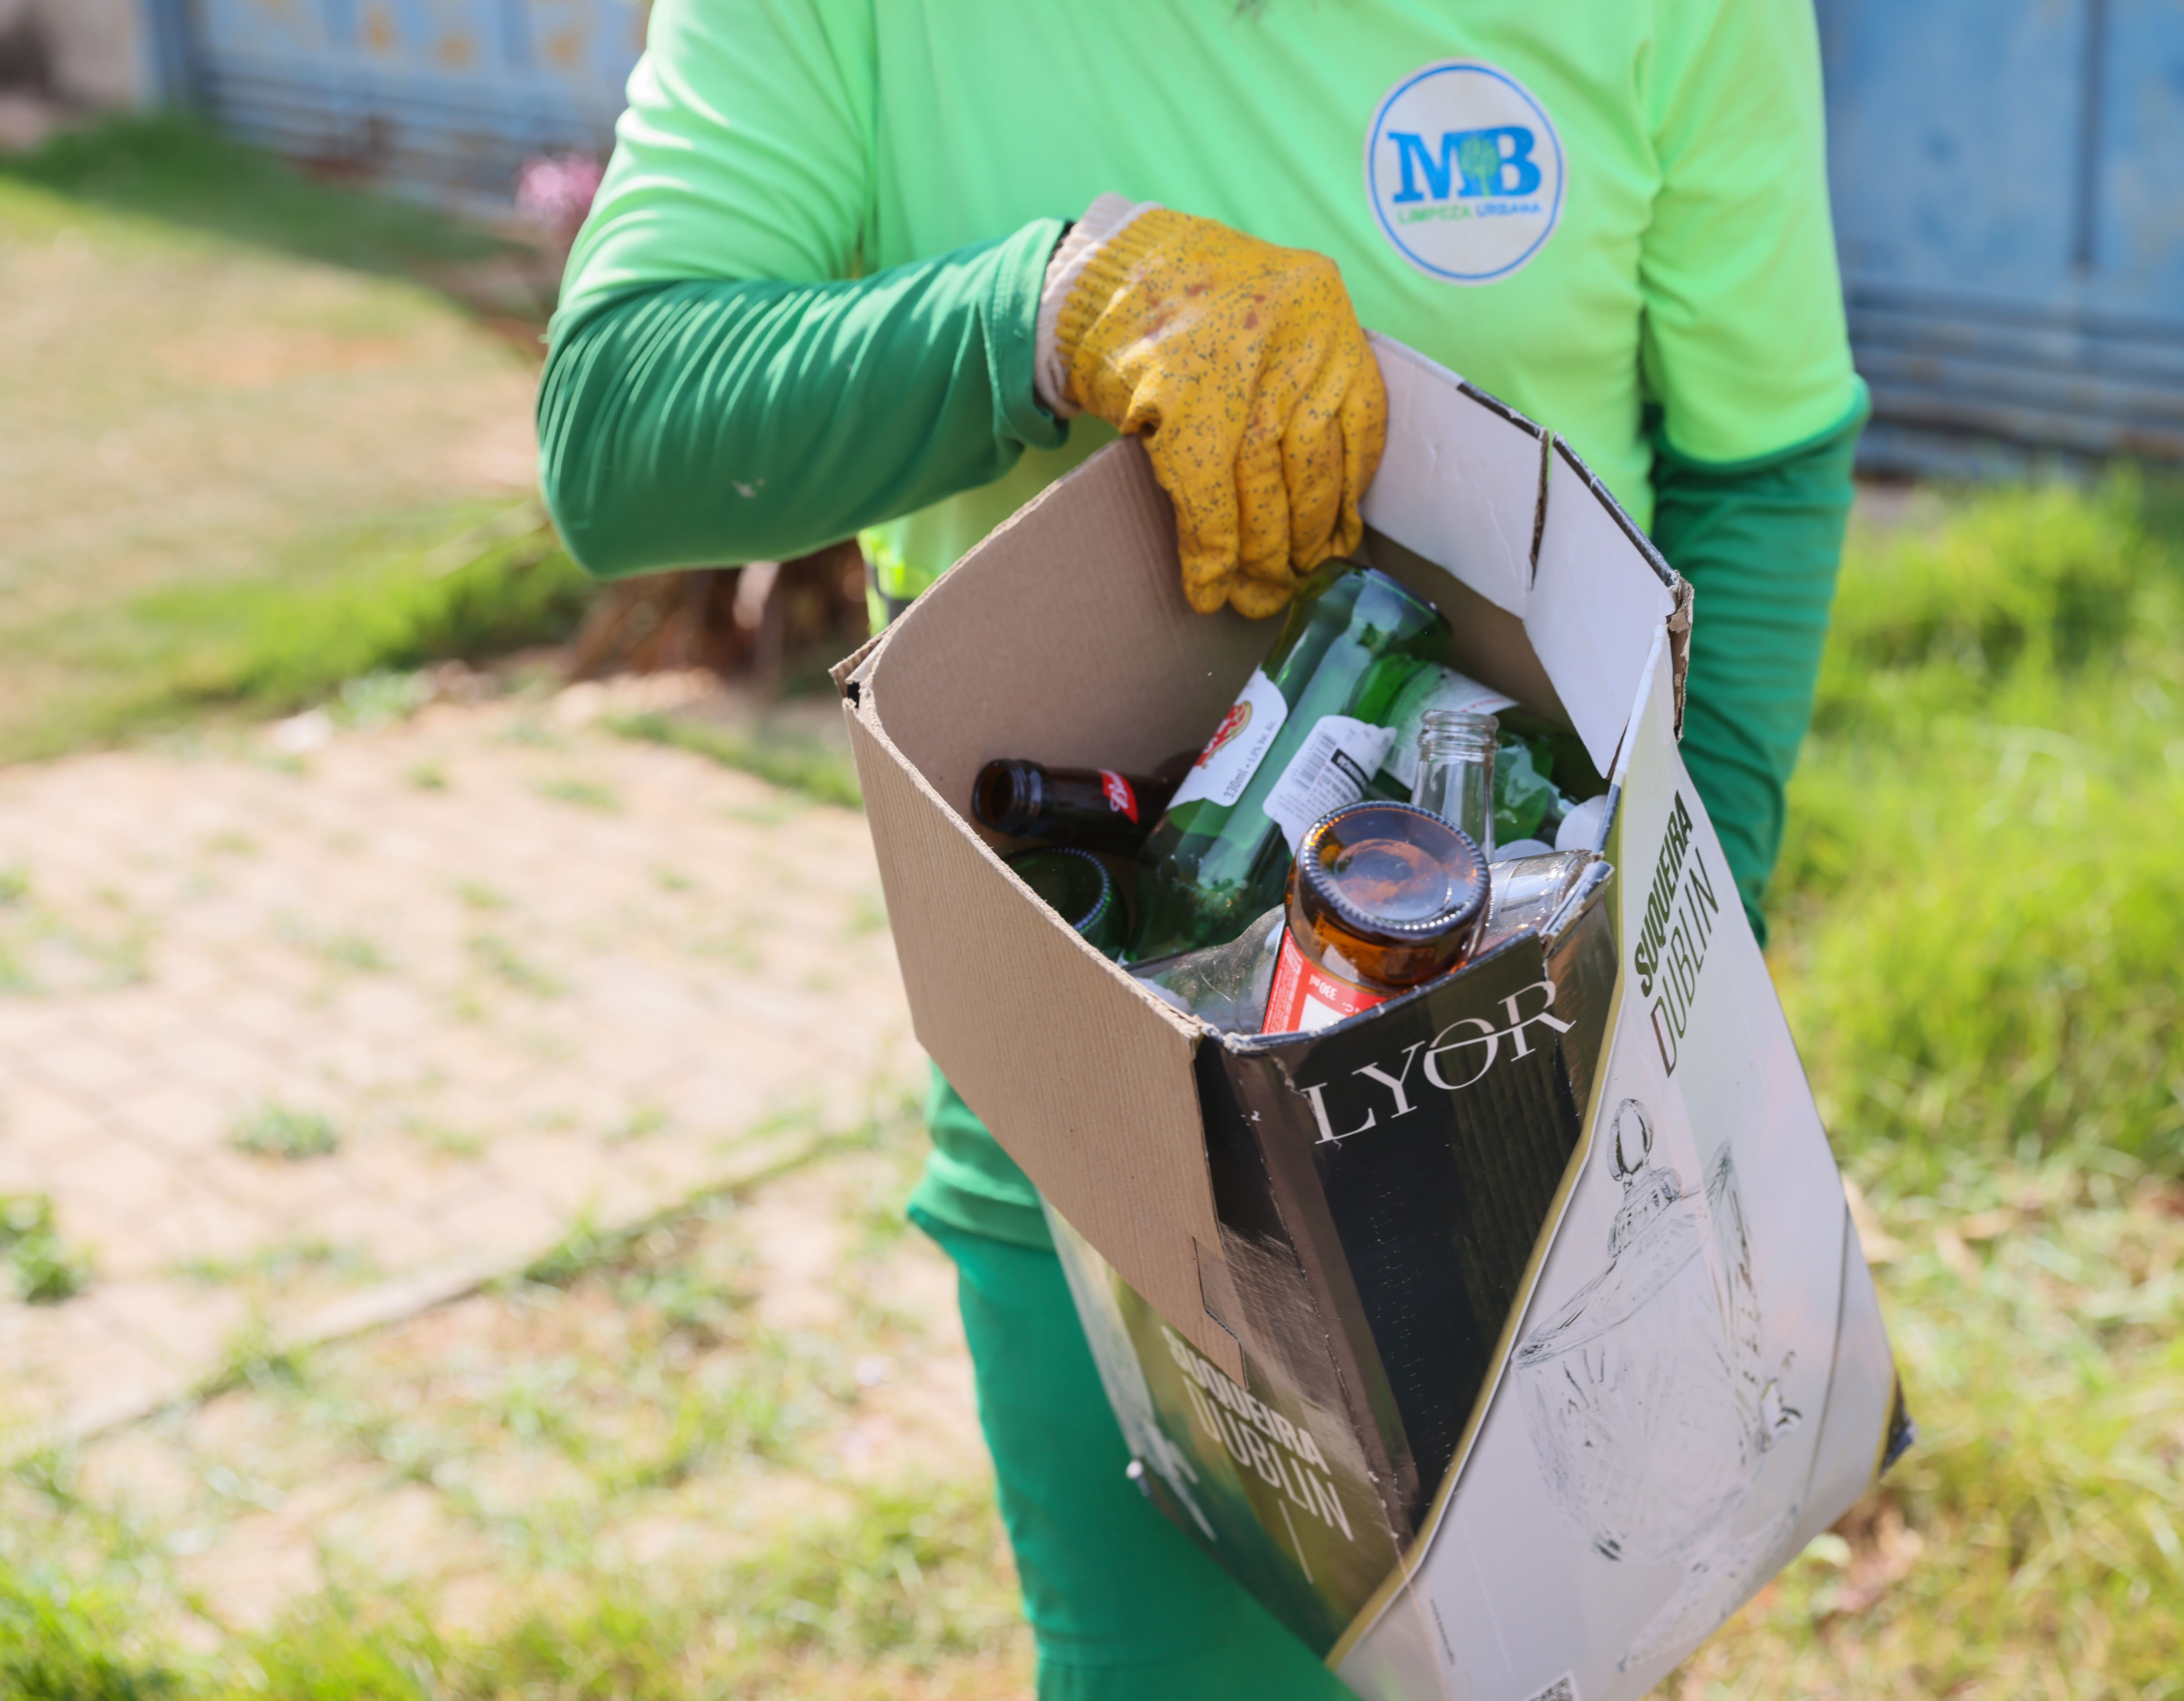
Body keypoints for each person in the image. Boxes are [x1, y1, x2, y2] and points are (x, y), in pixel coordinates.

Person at [536, 3, 1863, 1694]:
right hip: (1098, 1099)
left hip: (1536, 1059)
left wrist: (1687, 964)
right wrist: (1045, 310)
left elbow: (1763, 460)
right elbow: (619, 422)